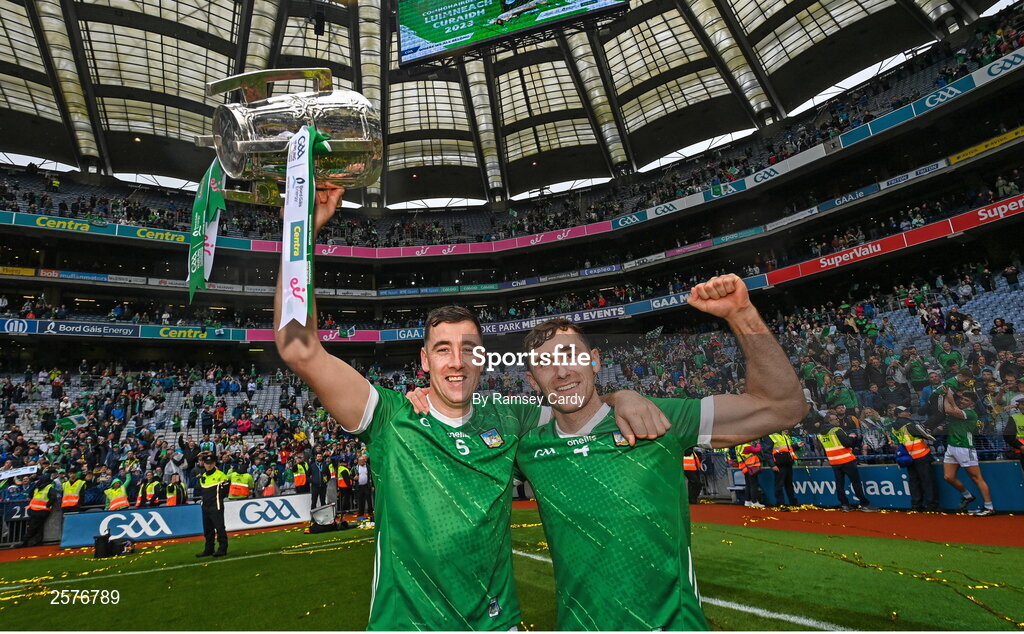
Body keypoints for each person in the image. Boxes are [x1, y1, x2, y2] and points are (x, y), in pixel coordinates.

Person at [273, 187, 663, 630]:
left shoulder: (510, 417)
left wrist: (619, 396)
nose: (456, 362)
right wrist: (300, 234)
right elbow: (298, 349)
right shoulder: (389, 417)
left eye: (468, 349)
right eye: (442, 350)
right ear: (424, 361)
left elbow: (577, 406)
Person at [506, 275, 807, 630]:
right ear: (531, 380)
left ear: (595, 360)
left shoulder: (661, 418)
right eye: (545, 363)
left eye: (570, 355)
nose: (561, 371)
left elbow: (782, 407)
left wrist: (742, 315)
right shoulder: (528, 449)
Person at [940, 389, 995, 515]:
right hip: (952, 446)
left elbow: (949, 409)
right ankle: (968, 496)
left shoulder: (971, 413)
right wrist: (944, 396)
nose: (963, 401)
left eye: (966, 400)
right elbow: (948, 408)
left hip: (965, 448)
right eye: (962, 399)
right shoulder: (959, 411)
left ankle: (989, 507)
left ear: (972, 404)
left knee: (977, 478)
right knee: (948, 477)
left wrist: (947, 394)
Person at [819, 416, 877, 511]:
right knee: (856, 483)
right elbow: (847, 443)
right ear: (830, 421)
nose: (838, 420)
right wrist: (852, 438)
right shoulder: (836, 430)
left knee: (839, 484)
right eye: (836, 419)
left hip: (834, 462)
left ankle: (844, 505)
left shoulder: (820, 434)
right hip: (846, 460)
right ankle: (864, 504)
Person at [890, 406, 937, 511]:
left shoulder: (893, 427)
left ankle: (916, 505)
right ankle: (931, 505)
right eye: (905, 411)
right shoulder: (909, 424)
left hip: (908, 457)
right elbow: (925, 435)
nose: (908, 412)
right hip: (921, 455)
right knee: (927, 481)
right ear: (899, 414)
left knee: (914, 481)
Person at [196, 454, 230, 557]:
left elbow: (225, 490)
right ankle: (209, 549)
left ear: (214, 464)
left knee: (219, 528)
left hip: (216, 506)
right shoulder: (204, 476)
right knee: (208, 530)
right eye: (207, 463)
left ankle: (222, 549)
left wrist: (217, 499)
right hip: (205, 506)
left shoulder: (221, 475)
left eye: (211, 463)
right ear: (204, 464)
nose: (209, 465)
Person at [22, 469, 59, 547]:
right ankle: (37, 542)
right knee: (38, 527)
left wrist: (47, 505)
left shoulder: (47, 487)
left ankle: (25, 542)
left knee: (33, 527)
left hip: (39, 510)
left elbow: (53, 498)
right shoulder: (40, 487)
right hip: (38, 510)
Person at [767, 429, 801, 508]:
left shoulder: (784, 436)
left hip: (787, 462)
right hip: (779, 464)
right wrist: (772, 465)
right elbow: (767, 452)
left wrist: (797, 446)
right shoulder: (771, 436)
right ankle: (780, 503)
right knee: (779, 484)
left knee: (789, 484)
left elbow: (788, 449)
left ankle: (792, 502)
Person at [735, 440, 765, 508]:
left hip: (745, 468)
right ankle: (754, 502)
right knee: (754, 485)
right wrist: (758, 444)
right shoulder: (746, 446)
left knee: (748, 485)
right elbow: (757, 450)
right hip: (751, 468)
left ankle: (747, 501)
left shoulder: (738, 447)